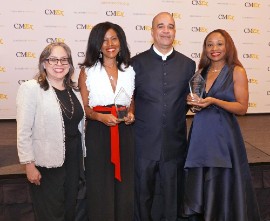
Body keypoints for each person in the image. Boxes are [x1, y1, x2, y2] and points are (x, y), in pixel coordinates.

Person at [183, 29, 261, 221]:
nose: (214, 48)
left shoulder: (237, 71)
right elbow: (198, 107)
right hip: (201, 135)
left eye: (219, 44)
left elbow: (242, 108)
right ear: (205, 49)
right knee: (203, 182)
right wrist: (193, 103)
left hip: (225, 138)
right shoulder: (201, 72)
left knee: (224, 182)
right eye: (209, 45)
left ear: (228, 46)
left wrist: (214, 101)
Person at [132, 12, 196, 221]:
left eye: (170, 26)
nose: (166, 31)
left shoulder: (188, 65)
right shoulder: (135, 64)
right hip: (143, 144)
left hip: (174, 144)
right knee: (142, 198)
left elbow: (190, 101)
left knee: (173, 199)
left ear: (175, 32)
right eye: (161, 26)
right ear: (152, 32)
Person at [16, 42, 85, 221]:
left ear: (70, 64)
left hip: (73, 162)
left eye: (64, 59)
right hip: (46, 165)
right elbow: (23, 131)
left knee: (69, 211)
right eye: (53, 59)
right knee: (51, 215)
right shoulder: (31, 88)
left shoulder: (74, 90)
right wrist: (29, 164)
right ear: (44, 63)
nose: (59, 64)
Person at [78, 21, 135, 221]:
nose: (110, 44)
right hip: (98, 132)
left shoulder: (129, 70)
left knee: (125, 185)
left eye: (114, 38)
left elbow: (131, 102)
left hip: (124, 133)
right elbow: (84, 108)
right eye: (103, 40)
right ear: (97, 44)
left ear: (121, 41)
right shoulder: (88, 71)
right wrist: (99, 117)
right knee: (100, 185)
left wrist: (130, 115)